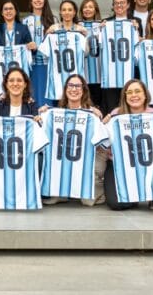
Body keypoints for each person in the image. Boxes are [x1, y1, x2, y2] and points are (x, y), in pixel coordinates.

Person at [103, 79, 153, 210]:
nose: (133, 95)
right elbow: (104, 142)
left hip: (152, 165)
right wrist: (103, 125)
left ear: (145, 94)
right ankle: (137, 196)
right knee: (116, 203)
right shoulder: (115, 115)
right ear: (124, 96)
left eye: (137, 91)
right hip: (122, 166)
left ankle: (152, 196)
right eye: (129, 92)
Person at [42, 74, 106, 207]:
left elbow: (102, 142)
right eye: (71, 85)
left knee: (87, 202)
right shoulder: (55, 113)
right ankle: (60, 193)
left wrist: (98, 118)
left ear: (83, 90)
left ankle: (100, 189)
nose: (74, 89)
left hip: (88, 159)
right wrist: (42, 115)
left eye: (78, 86)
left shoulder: (91, 114)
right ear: (66, 89)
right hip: (63, 157)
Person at [22, 0, 55, 108]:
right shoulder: (25, 21)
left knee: (47, 98)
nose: (38, 0)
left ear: (45, 1)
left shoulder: (53, 20)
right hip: (31, 65)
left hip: (49, 65)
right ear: (31, 1)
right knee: (33, 96)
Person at [79, 0, 103, 106]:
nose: (87, 9)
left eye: (90, 7)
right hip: (83, 72)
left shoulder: (103, 25)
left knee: (98, 104)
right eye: (85, 7)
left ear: (95, 10)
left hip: (99, 72)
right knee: (84, 104)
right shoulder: (76, 26)